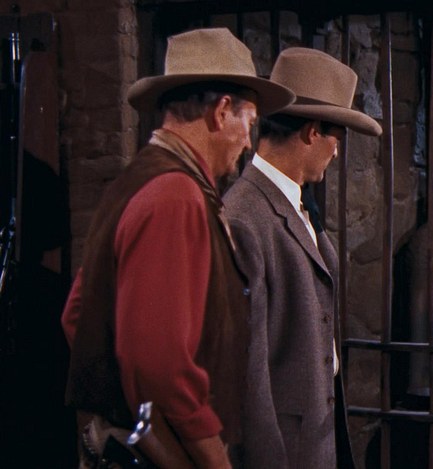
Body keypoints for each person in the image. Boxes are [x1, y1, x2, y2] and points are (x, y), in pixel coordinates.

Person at [60, 28, 294, 468]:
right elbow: (159, 364)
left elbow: (78, 316)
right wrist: (209, 456)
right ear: (221, 112)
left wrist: (122, 396)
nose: (248, 142)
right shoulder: (176, 196)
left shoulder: (139, 178)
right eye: (249, 123)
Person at [222, 47, 382, 469]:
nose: (337, 153)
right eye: (337, 139)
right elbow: (249, 368)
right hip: (283, 446)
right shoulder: (244, 217)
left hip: (314, 435)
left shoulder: (295, 202)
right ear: (312, 133)